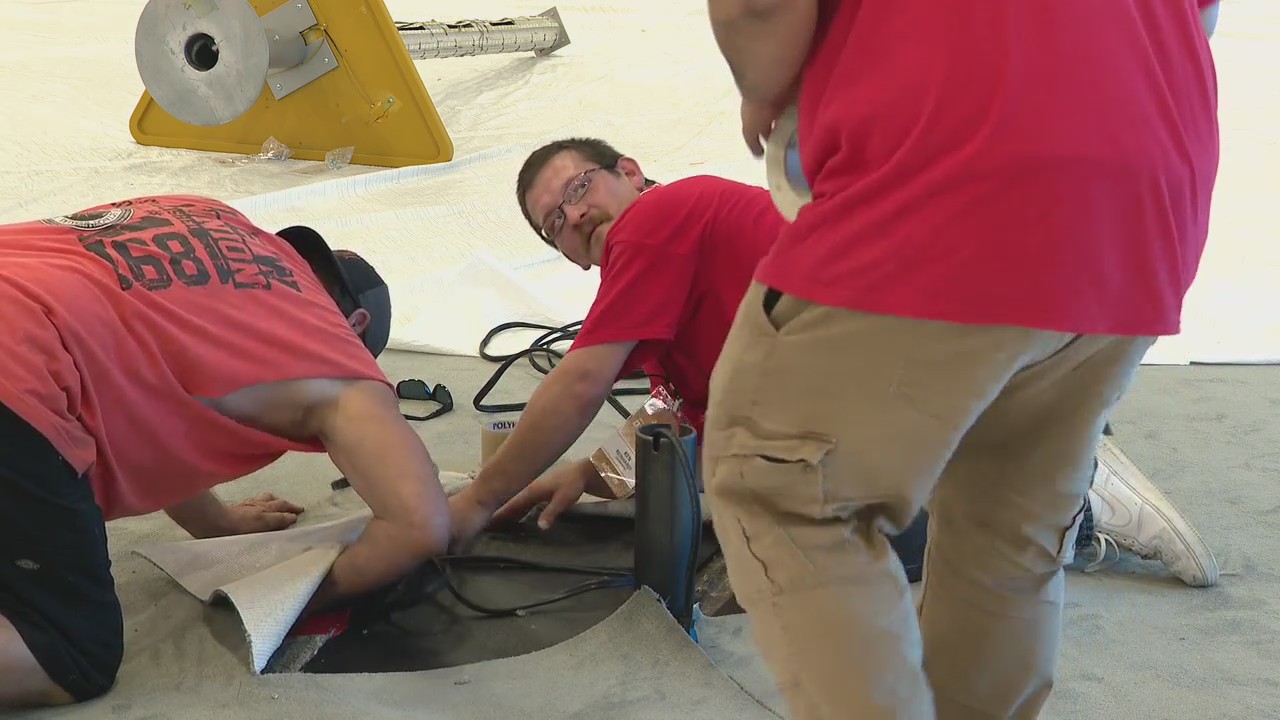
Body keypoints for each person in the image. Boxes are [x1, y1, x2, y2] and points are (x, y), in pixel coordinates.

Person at [699, 0, 1222, 717]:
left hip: (957, 162)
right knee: (1007, 527)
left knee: (780, 484)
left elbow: (760, 9)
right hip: (1153, 185)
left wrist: (762, 86)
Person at [446, 137, 1218, 593]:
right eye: (556, 224)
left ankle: (1060, 477)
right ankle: (1037, 474)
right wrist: (587, 475)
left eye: (579, 189)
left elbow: (582, 379)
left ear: (632, 172)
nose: (576, 216)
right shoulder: (672, 290)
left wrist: (479, 500)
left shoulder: (661, 216)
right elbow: (684, 420)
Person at [0, 195, 452, 709]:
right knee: (68, 652)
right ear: (358, 325)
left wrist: (217, 523)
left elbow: (157, 415)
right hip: (16, 360)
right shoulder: (336, 350)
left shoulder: (209, 216)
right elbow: (422, 525)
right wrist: (289, 597)